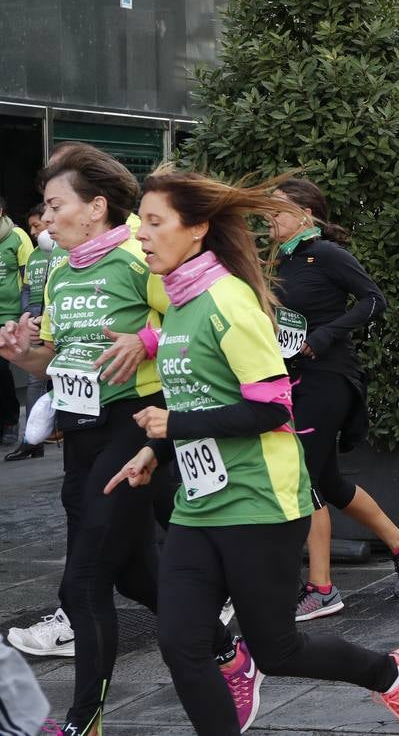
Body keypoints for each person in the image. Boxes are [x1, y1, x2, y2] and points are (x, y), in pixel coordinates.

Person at [106, 169, 399, 736]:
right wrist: (157, 450)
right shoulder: (181, 302)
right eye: (144, 223)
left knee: (278, 649)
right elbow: (200, 394)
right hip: (200, 503)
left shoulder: (228, 301)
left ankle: (394, 674)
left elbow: (273, 409)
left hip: (260, 501)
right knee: (182, 643)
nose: (142, 235)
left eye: (156, 223)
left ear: (198, 229)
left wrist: (173, 423)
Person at [0, 145, 245, 735]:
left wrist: (148, 339)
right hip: (79, 432)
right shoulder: (61, 271)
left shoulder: (139, 258)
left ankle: (84, 723)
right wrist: (20, 353)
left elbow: (190, 317)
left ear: (96, 208)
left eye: (57, 205)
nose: (46, 217)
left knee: (81, 582)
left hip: (135, 425)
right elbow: (57, 361)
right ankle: (226, 651)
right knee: (133, 573)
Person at [268, 178, 399, 621]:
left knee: (304, 479)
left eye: (277, 210)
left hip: (329, 377)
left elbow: (374, 301)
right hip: (293, 380)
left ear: (306, 214)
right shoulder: (280, 260)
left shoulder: (327, 254)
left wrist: (321, 337)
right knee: (329, 482)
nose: (269, 219)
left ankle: (321, 589)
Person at [7, 205, 53, 462]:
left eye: (38, 226)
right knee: (36, 380)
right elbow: (27, 288)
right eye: (33, 227)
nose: (35, 232)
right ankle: (32, 440)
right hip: (35, 321)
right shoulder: (35, 255)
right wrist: (28, 317)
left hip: (50, 321)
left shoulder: (59, 253)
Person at [0, 196, 34, 443]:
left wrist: (26, 312)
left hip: (9, 314)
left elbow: (29, 275)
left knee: (1, 369)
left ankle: (10, 420)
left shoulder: (17, 236)